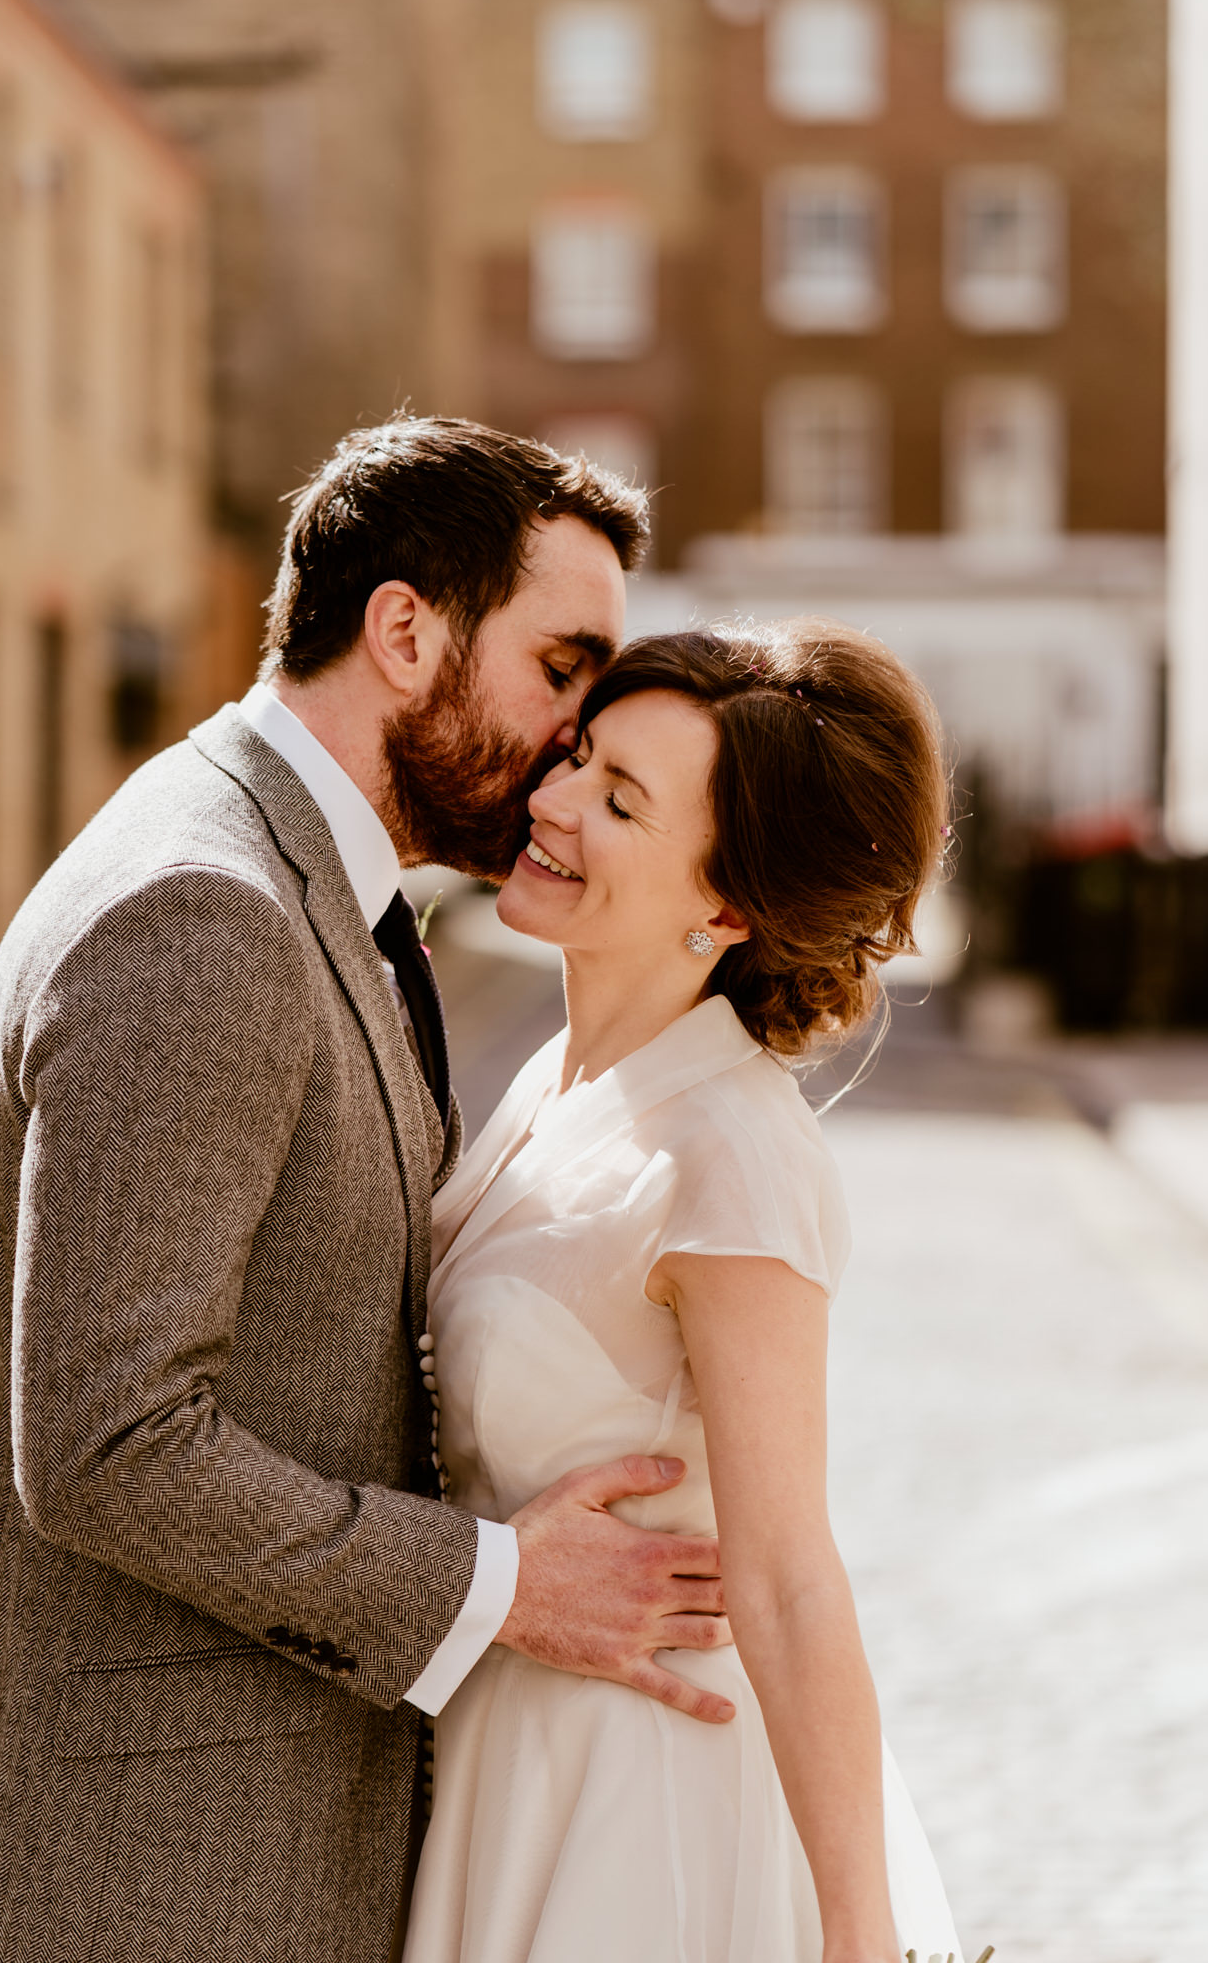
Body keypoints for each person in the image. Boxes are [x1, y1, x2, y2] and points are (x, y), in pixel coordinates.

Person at [0, 419, 735, 1963]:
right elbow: (111, 1445)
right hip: (110, 1883)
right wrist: (502, 1586)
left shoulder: (288, 873)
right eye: (560, 670)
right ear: (405, 632)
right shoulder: (208, 914)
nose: (573, 739)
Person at [404, 624, 965, 1963]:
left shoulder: (732, 1152)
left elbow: (789, 1579)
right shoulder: (552, 1083)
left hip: (640, 1798)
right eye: (579, 758)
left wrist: (858, 1935)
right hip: (505, 1752)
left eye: (619, 801)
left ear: (723, 911)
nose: (551, 802)